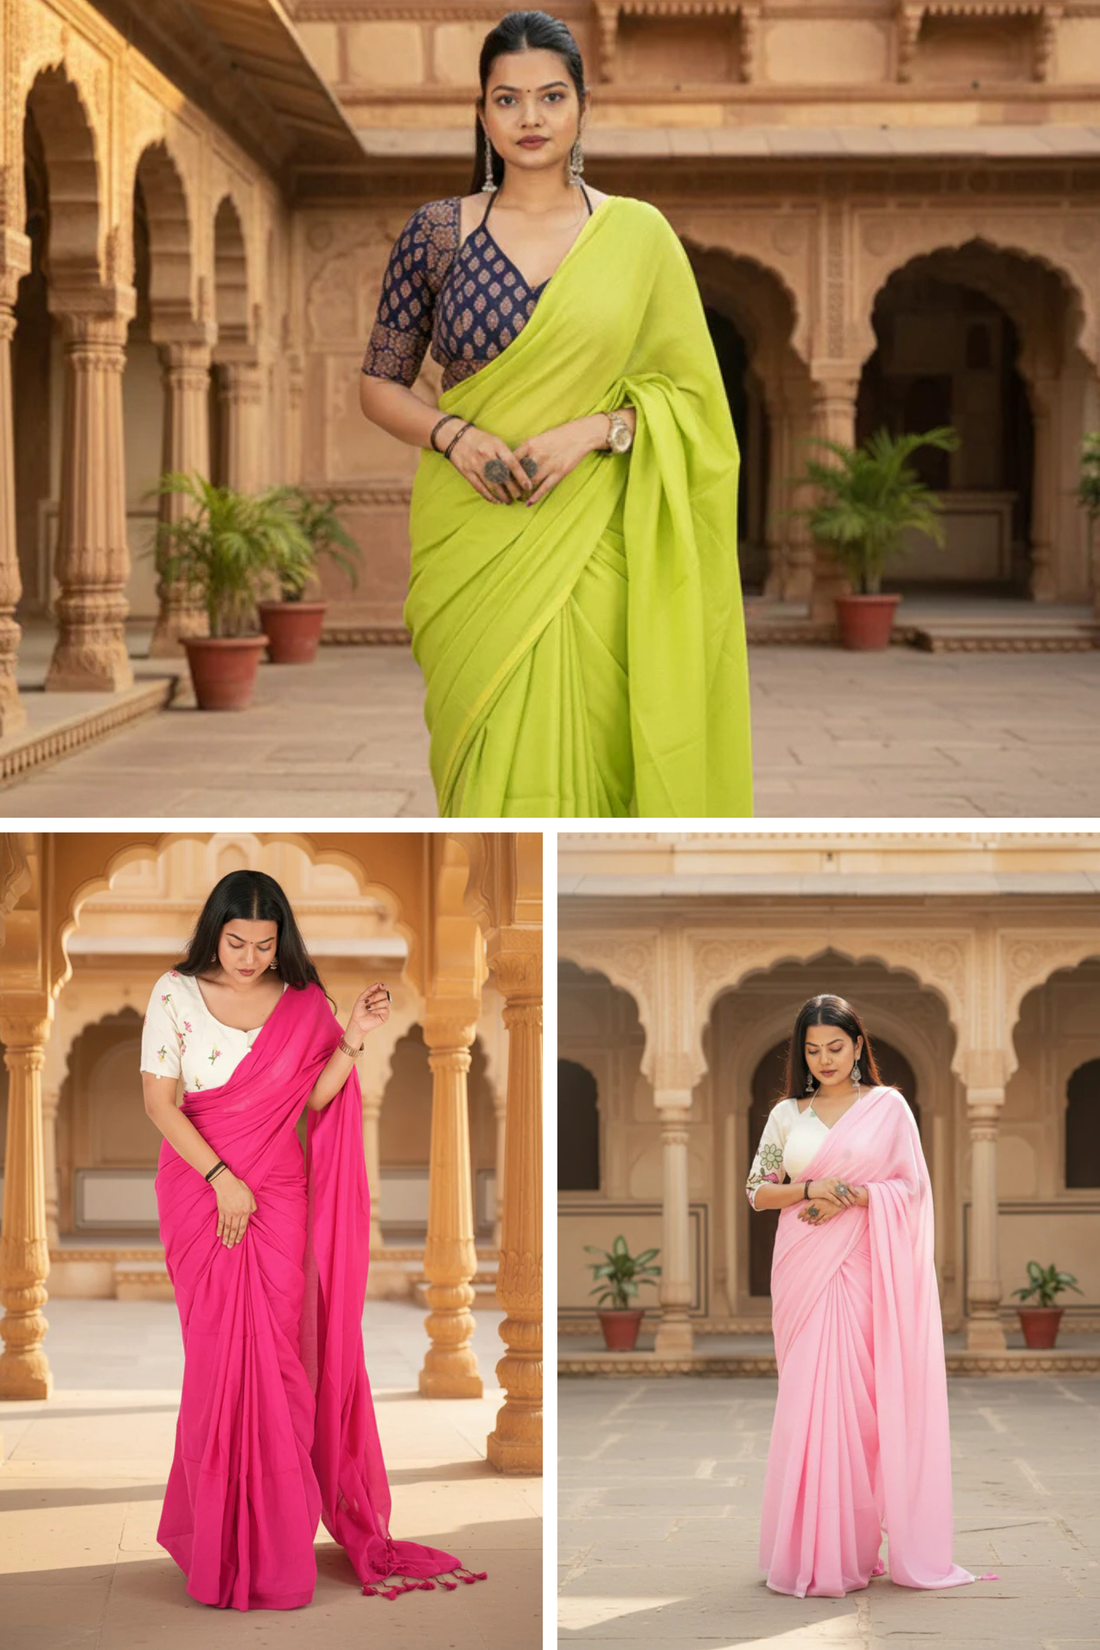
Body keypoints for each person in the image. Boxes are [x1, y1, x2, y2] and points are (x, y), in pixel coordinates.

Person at [359, 8, 752, 819]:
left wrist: (594, 431)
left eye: (549, 97)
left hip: (596, 540)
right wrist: (452, 434)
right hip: (471, 538)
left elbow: (696, 406)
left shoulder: (638, 236)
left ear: (581, 107)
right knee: (486, 753)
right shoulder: (437, 234)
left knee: (600, 752)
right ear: (482, 114)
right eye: (507, 100)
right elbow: (380, 384)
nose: (529, 119)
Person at [140, 869, 486, 1610]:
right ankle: (218, 1538)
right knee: (214, 1367)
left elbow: (314, 1098)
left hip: (278, 1197)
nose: (249, 958)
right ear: (215, 933)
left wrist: (353, 1038)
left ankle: (275, 1539)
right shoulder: (173, 992)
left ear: (281, 941)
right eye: (236, 942)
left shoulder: (303, 1004)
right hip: (203, 1194)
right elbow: (159, 1104)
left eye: (264, 945)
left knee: (280, 1363)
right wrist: (220, 1178)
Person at [745, 994, 974, 1599]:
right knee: (808, 1402)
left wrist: (851, 1197)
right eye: (813, 1049)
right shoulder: (786, 1115)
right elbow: (757, 1191)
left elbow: (911, 1189)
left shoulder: (888, 1108)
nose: (824, 1059)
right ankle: (810, 1551)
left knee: (859, 1409)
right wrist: (812, 1186)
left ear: (857, 1045)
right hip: (802, 1267)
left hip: (864, 1265)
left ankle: (852, 1547)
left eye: (836, 1047)